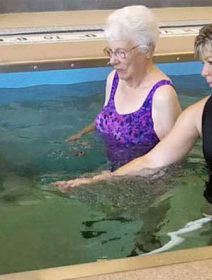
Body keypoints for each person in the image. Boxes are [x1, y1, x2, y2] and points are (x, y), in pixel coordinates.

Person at [54, 16, 212, 225]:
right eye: (203, 63)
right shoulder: (200, 113)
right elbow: (152, 160)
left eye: (211, 62)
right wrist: (97, 180)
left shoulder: (165, 95)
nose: (203, 72)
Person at [64, 5, 181, 170]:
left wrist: (111, 179)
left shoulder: (162, 96)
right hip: (109, 169)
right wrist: (83, 135)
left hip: (142, 185)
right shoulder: (114, 79)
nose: (112, 61)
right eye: (110, 52)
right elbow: (109, 118)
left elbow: (173, 161)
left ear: (147, 50)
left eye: (121, 53)